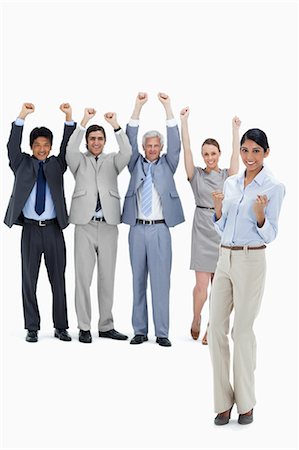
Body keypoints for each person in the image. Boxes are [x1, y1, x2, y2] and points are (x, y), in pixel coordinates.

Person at [208, 128, 285, 425]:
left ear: (266, 152)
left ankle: (246, 402)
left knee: (241, 332)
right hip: (224, 257)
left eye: (255, 150)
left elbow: (271, 233)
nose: (249, 156)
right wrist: (217, 211)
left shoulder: (274, 187)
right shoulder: (230, 183)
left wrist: (261, 214)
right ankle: (222, 401)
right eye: (245, 150)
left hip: (251, 259)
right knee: (216, 329)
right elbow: (222, 226)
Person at [4, 102, 76, 342]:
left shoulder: (57, 164)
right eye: (37, 145)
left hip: (54, 230)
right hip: (31, 231)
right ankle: (32, 327)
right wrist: (22, 116)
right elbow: (12, 145)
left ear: (51, 147)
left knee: (58, 279)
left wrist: (68, 118)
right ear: (31, 147)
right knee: (29, 279)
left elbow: (68, 147)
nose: (42, 149)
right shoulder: (21, 163)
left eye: (46, 145)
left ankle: (61, 326)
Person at [122, 92, 185, 347]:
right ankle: (139, 330)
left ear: (160, 148)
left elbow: (176, 144)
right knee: (137, 281)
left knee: (161, 283)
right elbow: (129, 139)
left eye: (155, 146)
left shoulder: (168, 164)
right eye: (148, 145)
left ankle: (161, 332)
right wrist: (137, 107)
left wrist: (168, 108)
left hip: (160, 231)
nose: (151, 149)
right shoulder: (135, 163)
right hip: (137, 229)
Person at [66, 108, 132, 343]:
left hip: (108, 225)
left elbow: (128, 151)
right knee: (82, 278)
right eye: (92, 139)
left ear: (104, 141)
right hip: (84, 225)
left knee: (108, 277)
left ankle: (106, 325)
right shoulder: (78, 161)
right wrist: (83, 121)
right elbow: (70, 149)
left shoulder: (113, 160)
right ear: (87, 141)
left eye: (100, 139)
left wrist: (115, 126)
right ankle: (84, 326)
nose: (96, 142)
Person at [180, 107, 241, 344]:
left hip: (222, 229)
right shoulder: (196, 176)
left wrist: (235, 130)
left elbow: (236, 155)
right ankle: (196, 317)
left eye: (213, 153)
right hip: (201, 229)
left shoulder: (228, 175)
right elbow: (187, 150)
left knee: (220, 287)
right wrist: (184, 122)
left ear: (219, 153)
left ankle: (210, 327)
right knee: (201, 286)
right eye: (206, 154)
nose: (209, 157)